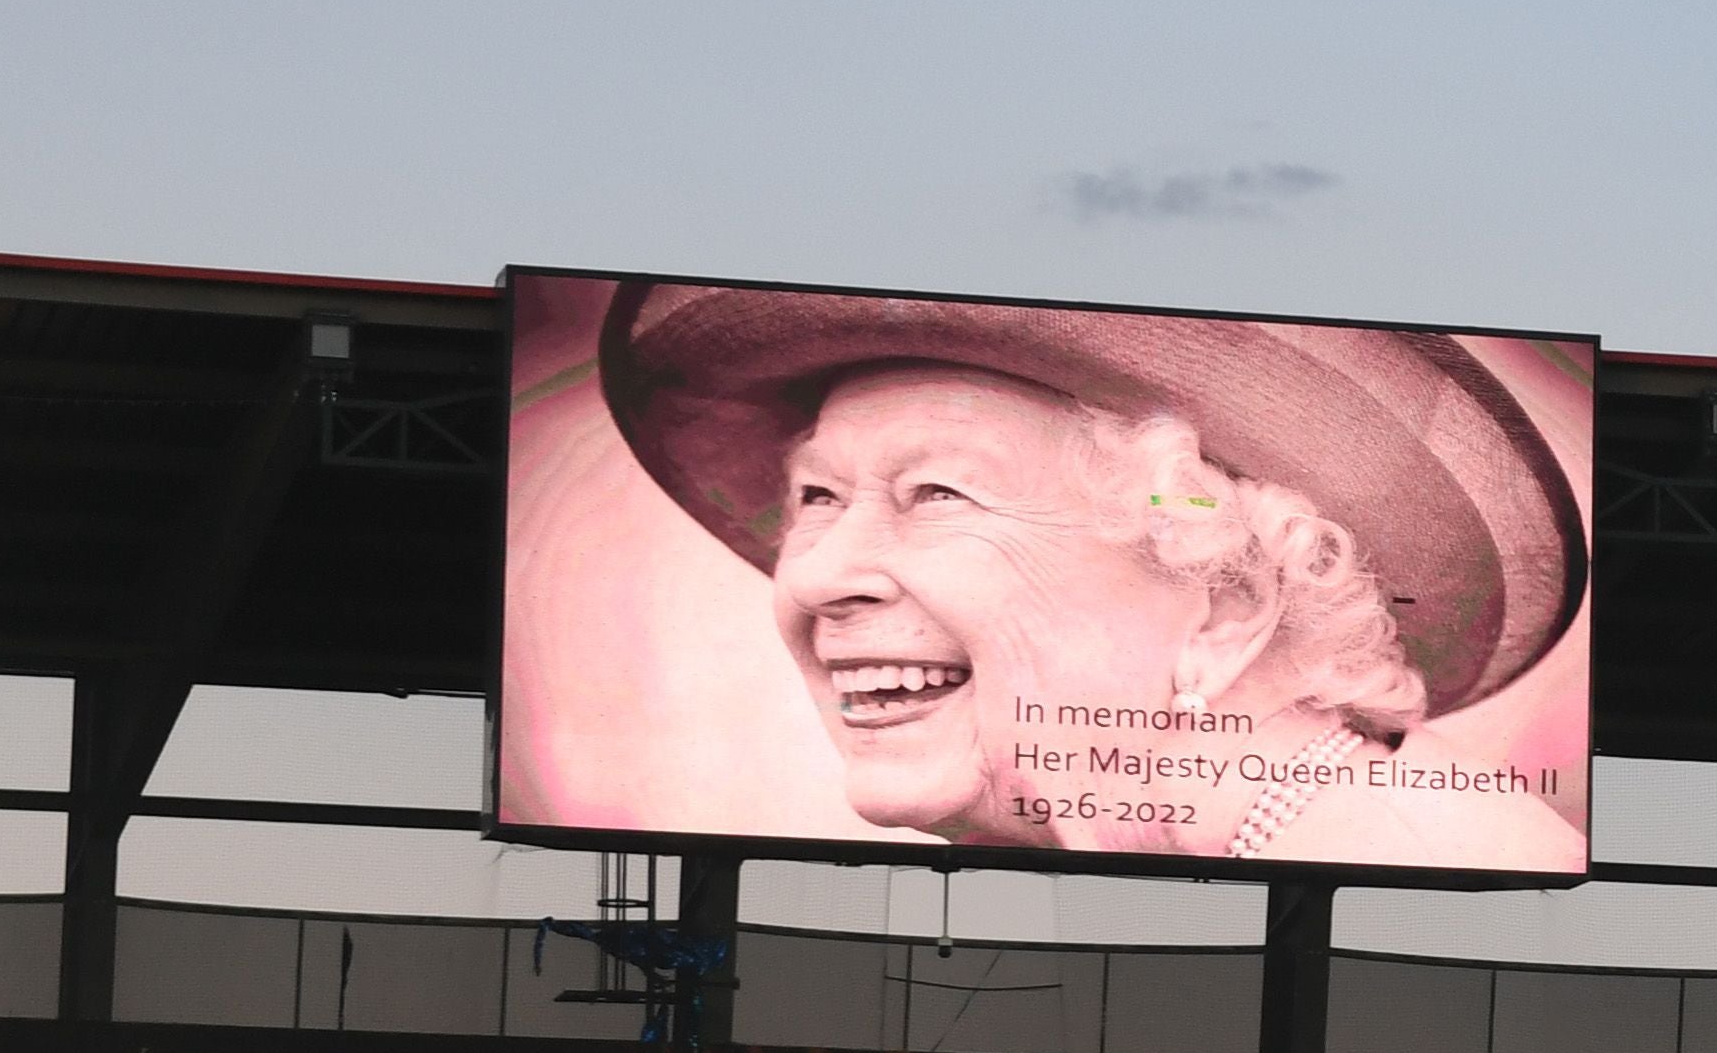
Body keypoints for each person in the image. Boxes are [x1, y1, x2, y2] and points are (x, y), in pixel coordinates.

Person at [570, 279, 1593, 868]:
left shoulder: (1430, 864)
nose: (821, 573)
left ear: (1225, 606)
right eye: (817, 501)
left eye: (938, 495)